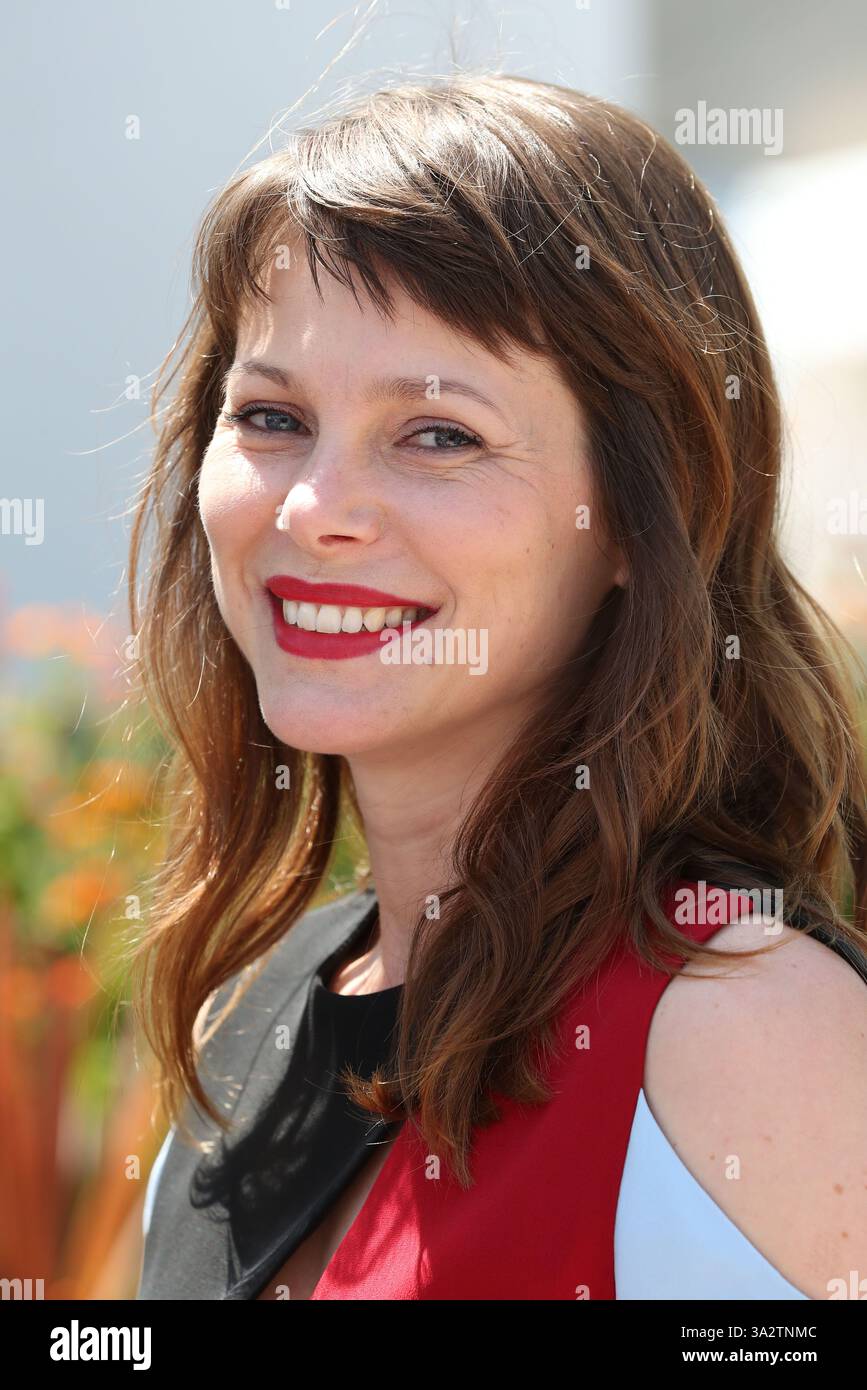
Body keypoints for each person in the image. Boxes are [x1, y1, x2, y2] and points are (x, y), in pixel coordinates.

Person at [130, 74, 867, 1301]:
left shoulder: (743, 1030)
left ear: (647, 511)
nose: (315, 510)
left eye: (438, 435)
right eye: (269, 417)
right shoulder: (249, 1017)